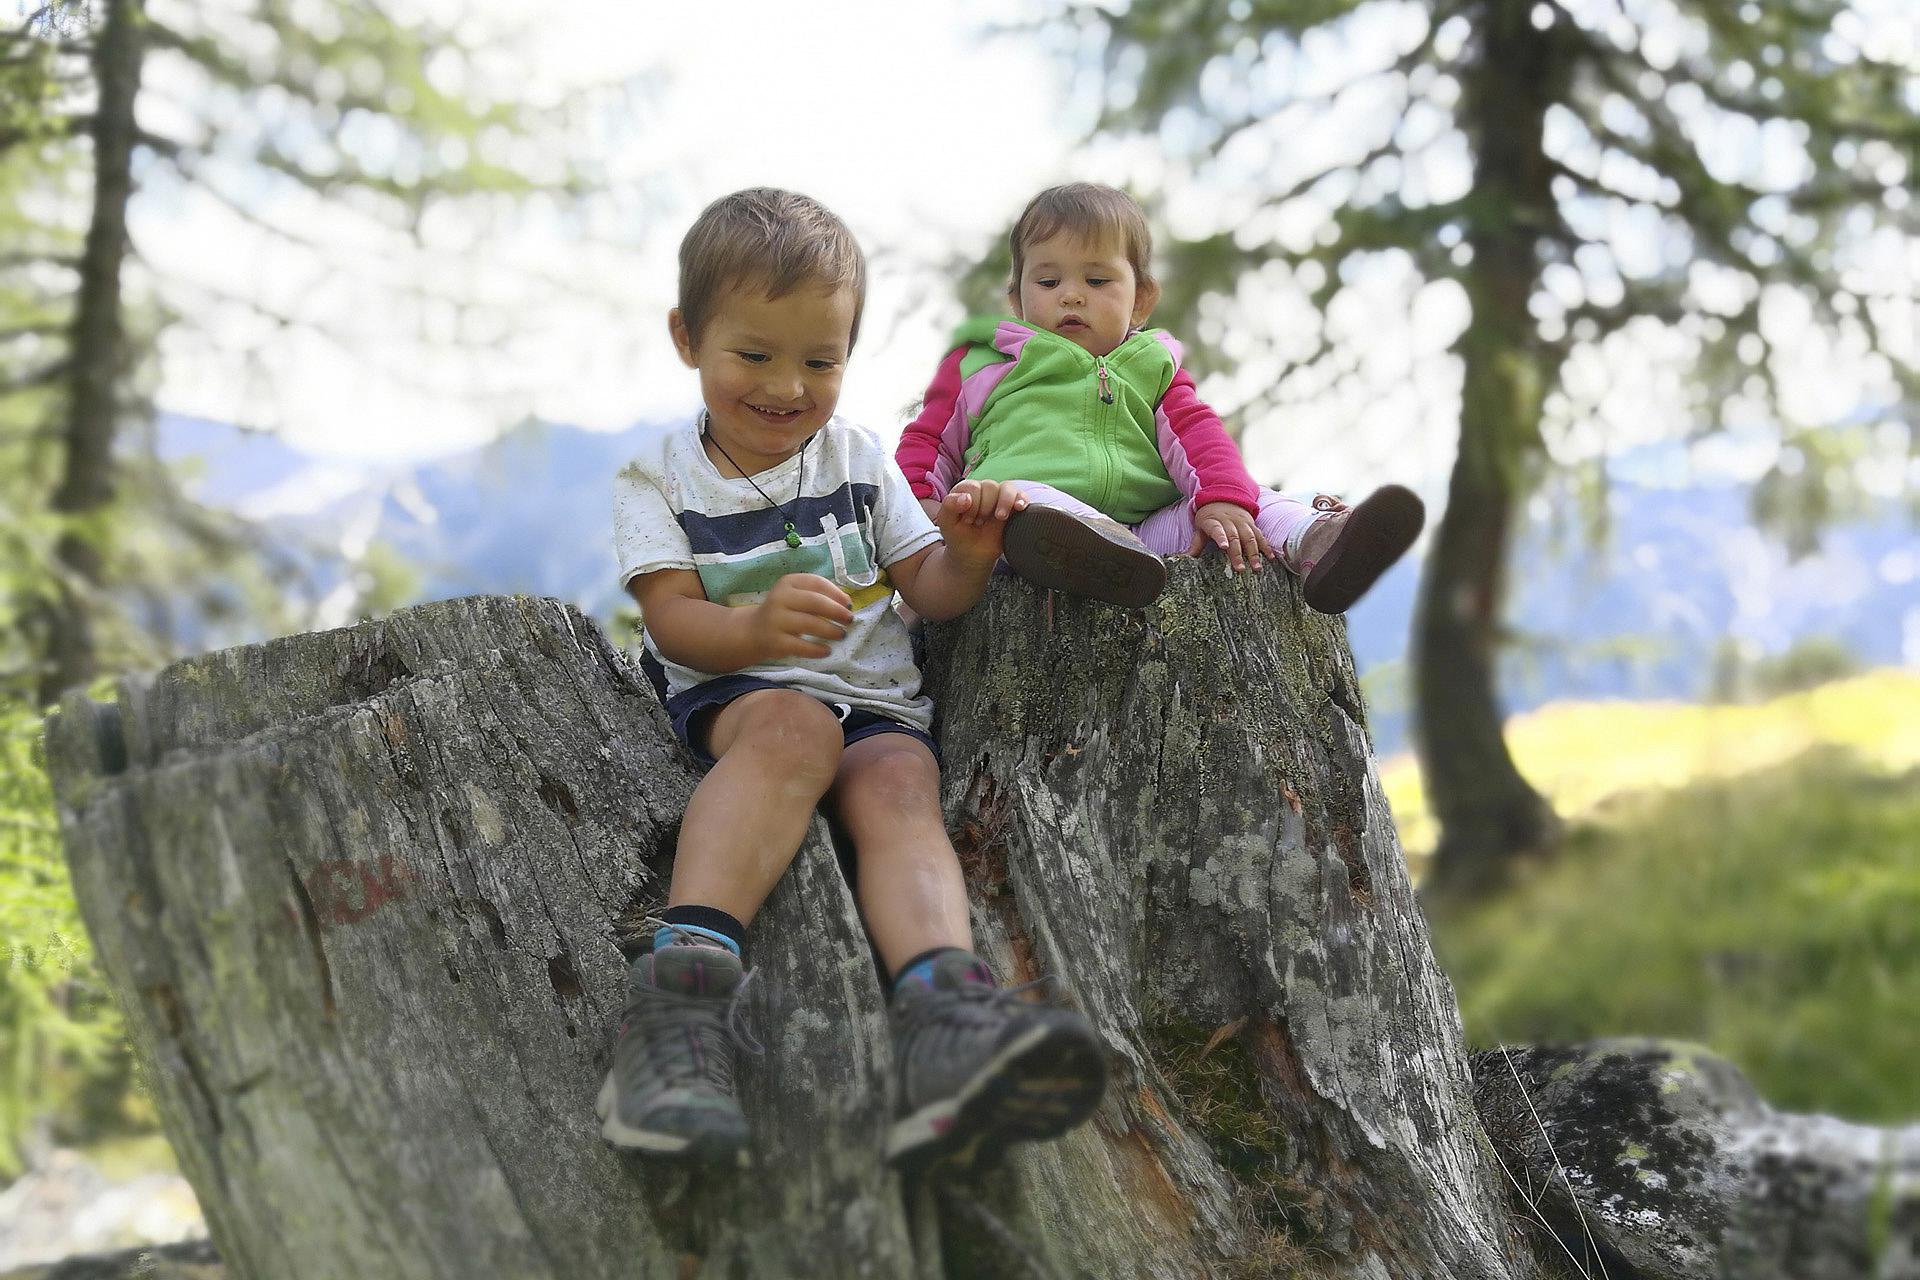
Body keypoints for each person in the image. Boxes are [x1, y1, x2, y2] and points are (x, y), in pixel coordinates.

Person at [602, 188, 1105, 1170]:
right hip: (744, 696)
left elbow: (931, 588)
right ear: (686, 337)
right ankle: (676, 1012)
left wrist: (964, 551)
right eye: (754, 354)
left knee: (900, 786)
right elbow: (670, 619)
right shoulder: (660, 477)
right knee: (795, 730)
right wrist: (749, 627)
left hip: (876, 703)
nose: (788, 385)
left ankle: (944, 1021)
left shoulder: (861, 459)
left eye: (820, 360)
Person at [896, 182, 1425, 612]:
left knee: (1250, 498)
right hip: (1023, 539)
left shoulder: (1153, 367)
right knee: (1015, 496)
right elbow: (927, 445)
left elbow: (1200, 440)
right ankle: (1086, 549)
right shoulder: (983, 361)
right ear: (1017, 300)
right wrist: (922, 511)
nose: (1071, 294)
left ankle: (1319, 543)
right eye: (1048, 280)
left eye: (1097, 279)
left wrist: (1221, 499)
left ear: (1141, 299)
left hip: (1146, 546)